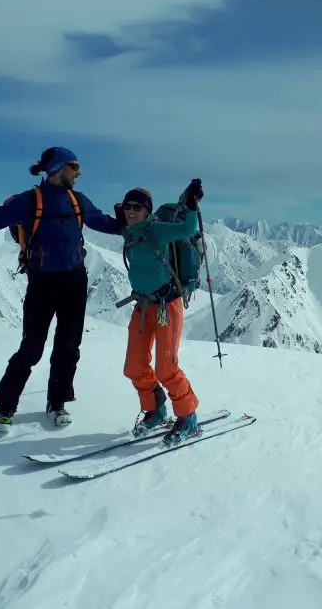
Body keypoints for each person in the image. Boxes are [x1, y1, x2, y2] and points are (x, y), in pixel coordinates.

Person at [0, 147, 124, 433]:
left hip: (76, 280)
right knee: (31, 348)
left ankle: (57, 402)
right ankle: (5, 406)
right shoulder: (28, 202)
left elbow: (104, 224)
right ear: (59, 167)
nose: (78, 173)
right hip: (43, 282)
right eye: (74, 166)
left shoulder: (78, 200)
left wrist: (127, 222)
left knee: (68, 346)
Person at [119, 179, 204, 446]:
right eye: (126, 207)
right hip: (142, 307)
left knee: (166, 368)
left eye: (136, 207)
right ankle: (155, 410)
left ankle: (188, 416)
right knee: (134, 367)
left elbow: (187, 228)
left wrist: (190, 205)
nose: (130, 211)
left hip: (168, 306)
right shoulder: (129, 232)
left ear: (147, 210)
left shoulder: (158, 230)